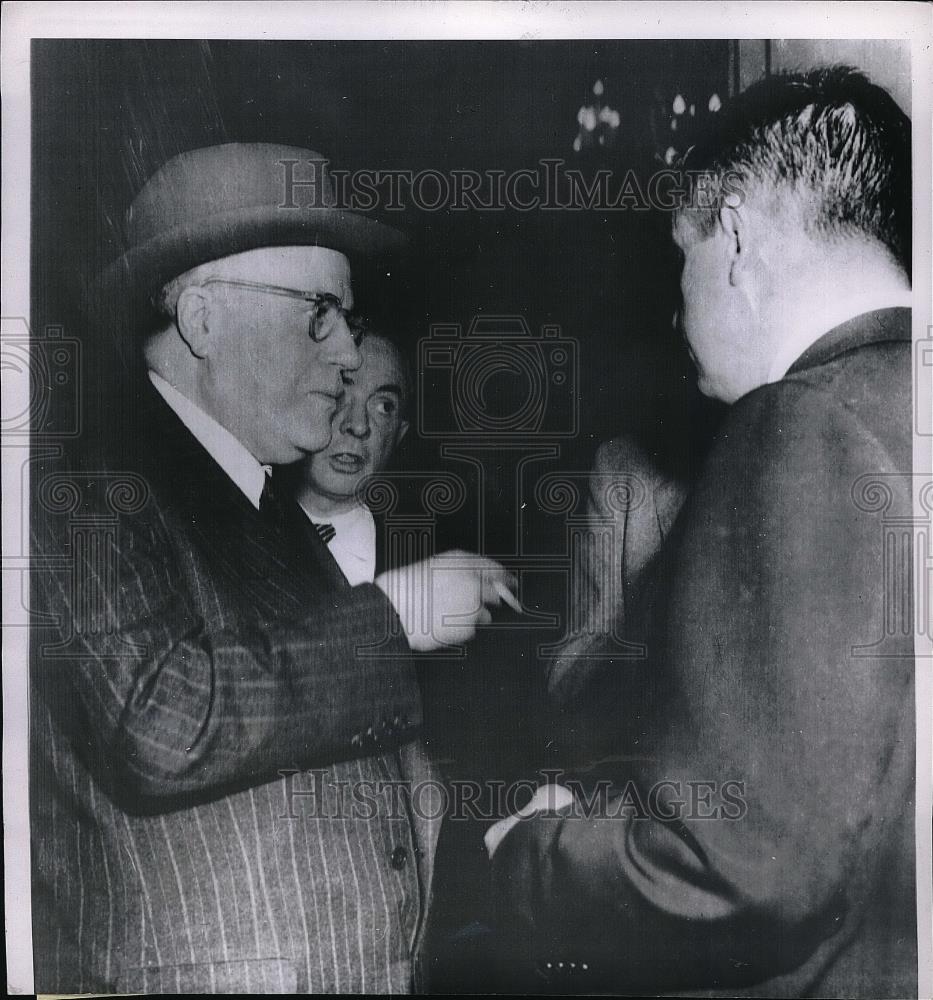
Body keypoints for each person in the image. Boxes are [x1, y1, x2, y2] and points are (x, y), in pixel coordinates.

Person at [30, 142, 512, 995]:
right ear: (203, 320)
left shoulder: (254, 499)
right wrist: (393, 618)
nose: (349, 356)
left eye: (350, 323)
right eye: (318, 312)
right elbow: (162, 719)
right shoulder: (92, 483)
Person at [487, 67, 916, 997]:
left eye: (677, 261)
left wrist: (530, 852)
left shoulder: (792, 427)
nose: (678, 314)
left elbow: (747, 868)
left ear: (732, 239)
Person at [289, 323, 413, 584]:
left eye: (384, 406)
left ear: (399, 435)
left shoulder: (422, 566)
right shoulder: (236, 531)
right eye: (340, 393)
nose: (358, 425)